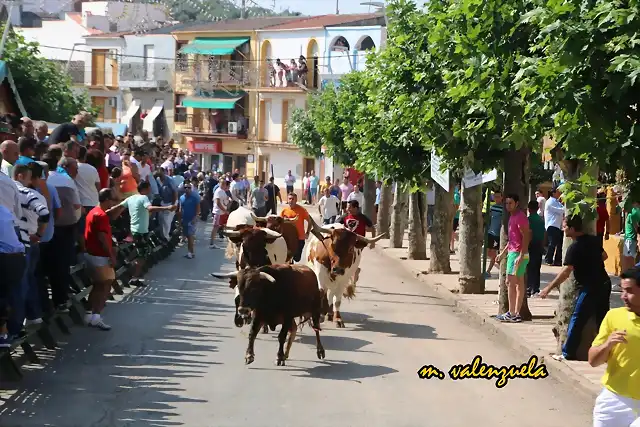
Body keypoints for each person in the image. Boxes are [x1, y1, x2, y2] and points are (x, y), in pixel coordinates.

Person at [539, 215, 611, 359]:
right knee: (603, 320)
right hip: (605, 283)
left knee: (577, 318)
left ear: (572, 229)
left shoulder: (574, 247)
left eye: (565, 226)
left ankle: (567, 352)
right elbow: (605, 256)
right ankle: (607, 353)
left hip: (591, 287)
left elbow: (566, 272)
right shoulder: (593, 240)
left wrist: (548, 288)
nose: (563, 229)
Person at [588, 267, 640, 426]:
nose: (623, 296)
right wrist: (608, 344)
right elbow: (593, 360)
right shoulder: (614, 316)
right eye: (622, 290)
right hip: (613, 402)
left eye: (629, 291)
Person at [107, 181, 176, 286]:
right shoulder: (144, 198)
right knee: (142, 256)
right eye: (149, 188)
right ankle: (134, 277)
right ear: (145, 188)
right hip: (141, 231)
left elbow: (118, 207)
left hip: (135, 230)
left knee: (142, 249)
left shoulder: (131, 198)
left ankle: (128, 260)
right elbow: (150, 208)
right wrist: (167, 208)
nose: (150, 190)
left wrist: (105, 211)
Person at [10, 163, 50, 339]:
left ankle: (17, 325)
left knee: (20, 284)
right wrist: (40, 233)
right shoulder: (34, 195)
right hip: (32, 241)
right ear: (21, 176)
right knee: (29, 280)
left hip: (19, 241)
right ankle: (33, 315)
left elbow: (44, 212)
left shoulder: (13, 193)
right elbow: (45, 214)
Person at [47, 157, 82, 312]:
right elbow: (76, 205)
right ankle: (60, 299)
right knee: (61, 265)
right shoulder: (67, 181)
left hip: (44, 229)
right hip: (65, 227)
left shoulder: (36, 181)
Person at [83, 188, 119, 331]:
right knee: (106, 284)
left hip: (92, 254)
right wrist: (111, 255)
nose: (114, 202)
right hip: (100, 256)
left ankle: (89, 313)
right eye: (113, 199)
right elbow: (102, 238)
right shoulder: (101, 215)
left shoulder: (93, 212)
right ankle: (96, 316)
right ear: (107, 200)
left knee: (98, 285)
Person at [495, 194, 531, 323]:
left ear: (517, 203)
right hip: (513, 252)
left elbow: (526, 236)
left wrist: (521, 255)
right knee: (518, 283)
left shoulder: (520, 217)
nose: (508, 205)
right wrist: (503, 253)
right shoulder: (512, 217)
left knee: (511, 282)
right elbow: (512, 240)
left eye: (510, 203)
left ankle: (512, 313)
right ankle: (515, 313)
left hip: (518, 254)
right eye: (506, 203)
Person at [280, 192, 310, 262]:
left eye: (293, 199)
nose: (291, 200)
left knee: (297, 258)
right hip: (287, 238)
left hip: (300, 238)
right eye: (289, 199)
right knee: (287, 257)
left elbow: (310, 221)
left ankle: (292, 260)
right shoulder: (284, 211)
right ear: (287, 200)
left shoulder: (302, 210)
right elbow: (279, 222)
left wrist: (307, 232)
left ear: (296, 200)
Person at [527, 200, 546, 297]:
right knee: (537, 267)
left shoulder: (528, 220)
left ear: (528, 209)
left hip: (530, 245)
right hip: (538, 244)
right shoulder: (541, 220)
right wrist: (543, 246)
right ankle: (535, 288)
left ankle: (528, 287)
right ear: (538, 208)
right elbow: (544, 234)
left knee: (529, 267)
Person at [178, 182, 200, 259]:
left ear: (191, 188)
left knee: (190, 236)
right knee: (187, 236)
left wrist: (195, 218)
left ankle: (190, 253)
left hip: (192, 220)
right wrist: (180, 220)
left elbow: (198, 209)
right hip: (184, 220)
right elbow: (180, 209)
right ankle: (191, 252)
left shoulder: (195, 197)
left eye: (189, 187)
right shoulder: (181, 198)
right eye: (185, 188)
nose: (187, 189)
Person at [484, 190, 504, 279]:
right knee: (488, 252)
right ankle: (499, 264)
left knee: (493, 252)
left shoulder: (503, 209)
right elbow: (489, 219)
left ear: (502, 197)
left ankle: (488, 271)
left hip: (497, 234)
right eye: (495, 197)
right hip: (490, 232)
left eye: (498, 197)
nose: (496, 199)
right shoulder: (493, 207)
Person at [155, 168, 178, 241]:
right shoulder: (157, 180)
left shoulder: (170, 180)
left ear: (164, 172)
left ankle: (166, 238)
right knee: (161, 219)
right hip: (162, 202)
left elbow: (175, 192)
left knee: (166, 220)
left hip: (171, 202)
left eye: (161, 172)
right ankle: (162, 237)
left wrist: (174, 204)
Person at [544, 187, 565, 266]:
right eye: (558, 192)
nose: (559, 193)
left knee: (559, 244)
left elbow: (562, 208)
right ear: (553, 193)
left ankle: (557, 260)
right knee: (552, 243)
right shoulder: (550, 202)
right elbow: (561, 210)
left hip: (557, 226)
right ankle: (548, 260)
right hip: (552, 225)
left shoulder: (556, 201)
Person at [210, 179, 229, 249]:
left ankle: (214, 242)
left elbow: (223, 200)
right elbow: (218, 202)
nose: (224, 185)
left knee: (219, 226)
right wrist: (224, 210)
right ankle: (212, 243)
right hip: (218, 212)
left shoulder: (223, 191)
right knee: (215, 227)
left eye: (224, 183)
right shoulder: (218, 191)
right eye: (222, 183)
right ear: (220, 184)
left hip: (221, 212)